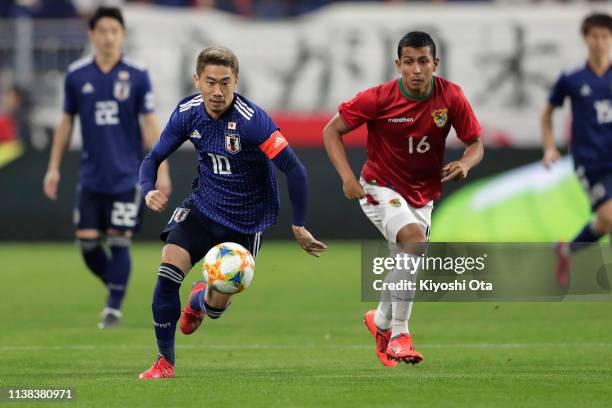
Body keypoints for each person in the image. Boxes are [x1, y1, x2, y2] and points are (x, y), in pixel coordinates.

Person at [137, 46, 327, 379]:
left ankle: (199, 301)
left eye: (225, 82)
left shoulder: (253, 122)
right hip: (202, 207)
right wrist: (148, 189)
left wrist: (299, 225)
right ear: (197, 80)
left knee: (214, 308)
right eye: (210, 82)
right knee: (167, 275)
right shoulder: (188, 113)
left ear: (236, 80)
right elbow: (152, 158)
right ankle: (164, 361)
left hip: (246, 220)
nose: (217, 91)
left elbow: (295, 170)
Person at [323, 31, 483, 366]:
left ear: (435, 64)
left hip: (422, 195)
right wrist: (348, 178)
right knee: (413, 242)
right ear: (398, 65)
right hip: (379, 187)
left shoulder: (451, 97)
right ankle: (400, 336)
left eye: (423, 61)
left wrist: (466, 162)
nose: (416, 69)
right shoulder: (378, 98)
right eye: (408, 61)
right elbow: (331, 130)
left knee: (406, 263)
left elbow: (475, 143)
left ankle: (379, 321)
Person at [43, 7, 171, 329]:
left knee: (118, 240)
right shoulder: (77, 75)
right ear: (92, 35)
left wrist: (162, 170)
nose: (109, 36)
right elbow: (66, 121)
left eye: (115, 30)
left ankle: (113, 307)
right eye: (103, 30)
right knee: (87, 245)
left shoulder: (137, 74)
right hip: (91, 176)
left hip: (128, 176)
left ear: (123, 35)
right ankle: (117, 284)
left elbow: (151, 123)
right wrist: (53, 167)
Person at [541, 13, 612, 289]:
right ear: (586, 38)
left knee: (605, 223)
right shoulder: (572, 78)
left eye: (605, 36)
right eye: (594, 36)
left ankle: (566, 250)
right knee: (608, 217)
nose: (599, 42)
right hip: (590, 161)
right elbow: (547, 113)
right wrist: (550, 148)